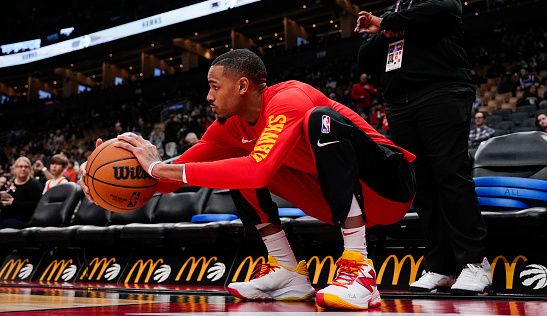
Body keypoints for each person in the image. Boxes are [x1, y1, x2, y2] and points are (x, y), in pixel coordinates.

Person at [79, 48, 416, 310]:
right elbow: (174, 176)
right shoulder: (227, 129)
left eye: (214, 87)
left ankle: (359, 267)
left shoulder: (290, 98)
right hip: (334, 199)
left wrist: (158, 167)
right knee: (231, 161)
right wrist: (111, 182)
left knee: (319, 120)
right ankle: (288, 272)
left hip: (389, 185)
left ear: (242, 86)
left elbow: (258, 170)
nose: (208, 97)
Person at [354, 0, 491, 294]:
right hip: (401, 104)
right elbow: (364, 59)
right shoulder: (393, 15)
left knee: (451, 176)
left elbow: (445, 11)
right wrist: (383, 31)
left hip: (442, 94)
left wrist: (387, 23)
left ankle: (475, 263)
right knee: (424, 185)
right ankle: (440, 266)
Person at [0, 157, 43, 229]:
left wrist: (14, 203)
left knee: (7, 223)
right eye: (20, 166)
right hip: (8, 217)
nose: (23, 169)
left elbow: (36, 205)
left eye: (26, 167)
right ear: (15, 169)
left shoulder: (35, 184)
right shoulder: (10, 183)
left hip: (25, 220)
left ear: (29, 169)